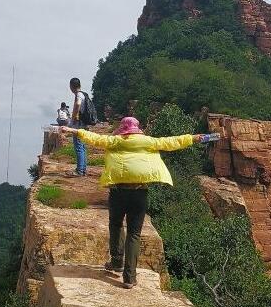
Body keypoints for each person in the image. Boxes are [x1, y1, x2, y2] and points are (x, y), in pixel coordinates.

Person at [60, 116, 206, 288]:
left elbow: (94, 139)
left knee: (115, 225)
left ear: (123, 128)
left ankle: (116, 262)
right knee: (134, 233)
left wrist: (72, 130)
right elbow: (172, 142)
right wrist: (194, 138)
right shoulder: (149, 142)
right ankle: (130, 277)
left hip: (118, 192)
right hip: (139, 193)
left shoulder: (114, 141)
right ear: (137, 128)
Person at [68, 77, 88, 177]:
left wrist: (74, 116)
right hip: (83, 124)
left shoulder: (79, 95)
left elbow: (78, 104)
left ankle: (80, 170)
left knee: (79, 146)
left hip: (79, 124)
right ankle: (83, 169)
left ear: (72, 86)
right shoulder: (84, 94)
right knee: (82, 147)